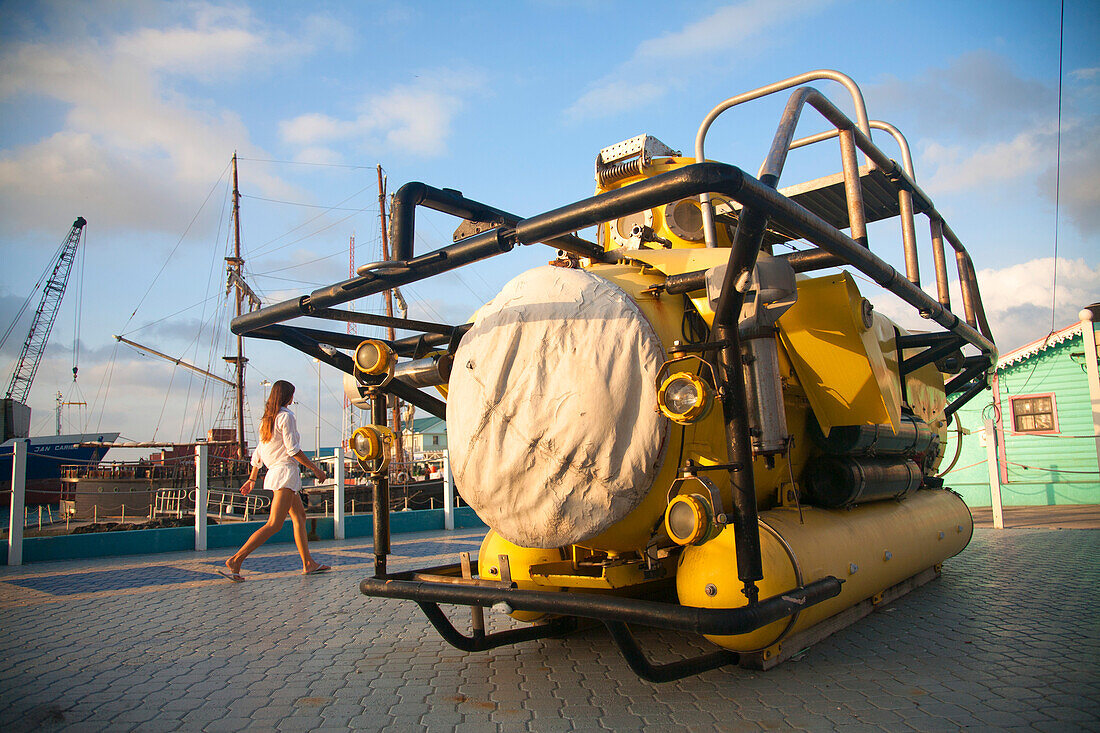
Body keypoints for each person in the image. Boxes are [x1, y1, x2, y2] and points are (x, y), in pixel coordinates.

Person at [219, 380, 330, 581]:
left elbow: (259, 452)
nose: (293, 398)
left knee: (300, 517)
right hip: (285, 473)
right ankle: (237, 559)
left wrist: (253, 478)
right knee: (274, 524)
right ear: (287, 396)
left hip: (278, 473)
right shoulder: (286, 417)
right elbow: (293, 450)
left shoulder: (267, 419)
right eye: (292, 394)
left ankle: (308, 563)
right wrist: (316, 470)